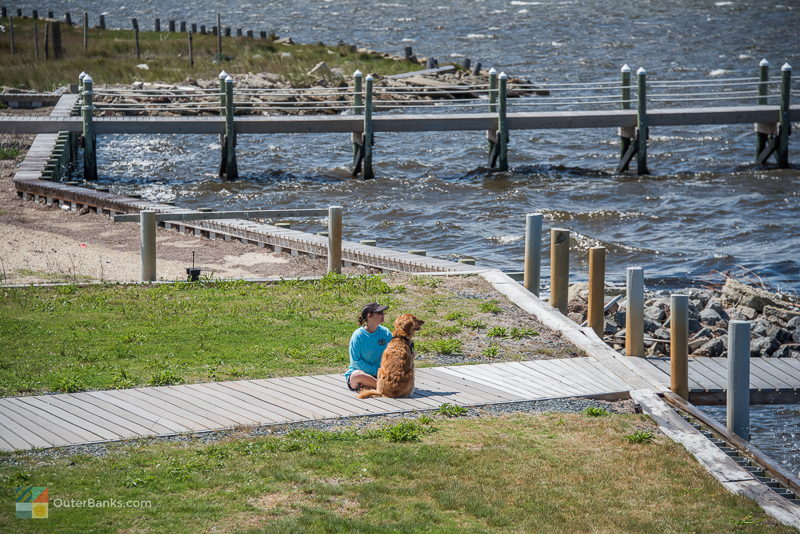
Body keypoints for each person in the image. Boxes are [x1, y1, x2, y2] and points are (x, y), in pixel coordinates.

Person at [344, 302, 392, 392]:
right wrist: (376, 371)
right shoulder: (358, 335)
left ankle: (371, 387)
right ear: (369, 316)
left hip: (381, 374)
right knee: (357, 375)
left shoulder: (386, 332)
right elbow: (356, 362)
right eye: (379, 313)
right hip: (364, 374)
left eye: (383, 312)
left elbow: (393, 353)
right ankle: (386, 388)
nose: (383, 315)